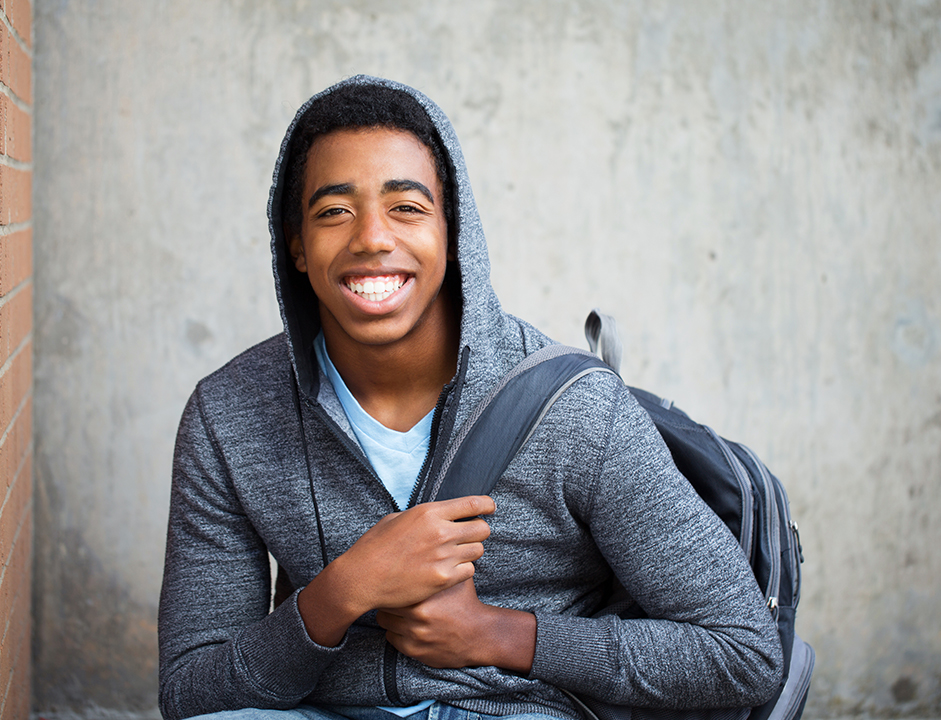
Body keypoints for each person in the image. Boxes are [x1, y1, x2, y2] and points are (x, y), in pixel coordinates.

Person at [158, 75, 782, 720]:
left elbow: (743, 655)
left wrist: (502, 634)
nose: (371, 237)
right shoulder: (229, 415)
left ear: (453, 233)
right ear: (296, 245)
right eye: (334, 212)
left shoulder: (576, 411)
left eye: (406, 207)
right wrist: (339, 594)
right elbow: (192, 692)